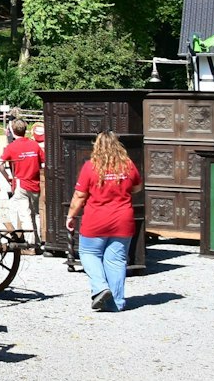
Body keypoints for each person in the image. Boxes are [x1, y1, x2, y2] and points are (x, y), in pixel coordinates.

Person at [65, 130, 143, 312]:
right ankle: (117, 303)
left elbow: (79, 195)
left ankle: (100, 287)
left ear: (96, 145)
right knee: (116, 261)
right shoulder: (128, 165)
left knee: (88, 254)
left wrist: (71, 216)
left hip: (96, 219)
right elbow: (137, 187)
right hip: (123, 219)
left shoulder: (90, 167)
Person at [1, 118, 45, 240]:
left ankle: (30, 244)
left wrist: (8, 177)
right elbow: (44, 161)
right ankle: (40, 239)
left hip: (21, 182)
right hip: (35, 183)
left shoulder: (11, 147)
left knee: (25, 214)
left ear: (13, 131)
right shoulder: (34, 145)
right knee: (36, 213)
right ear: (25, 130)